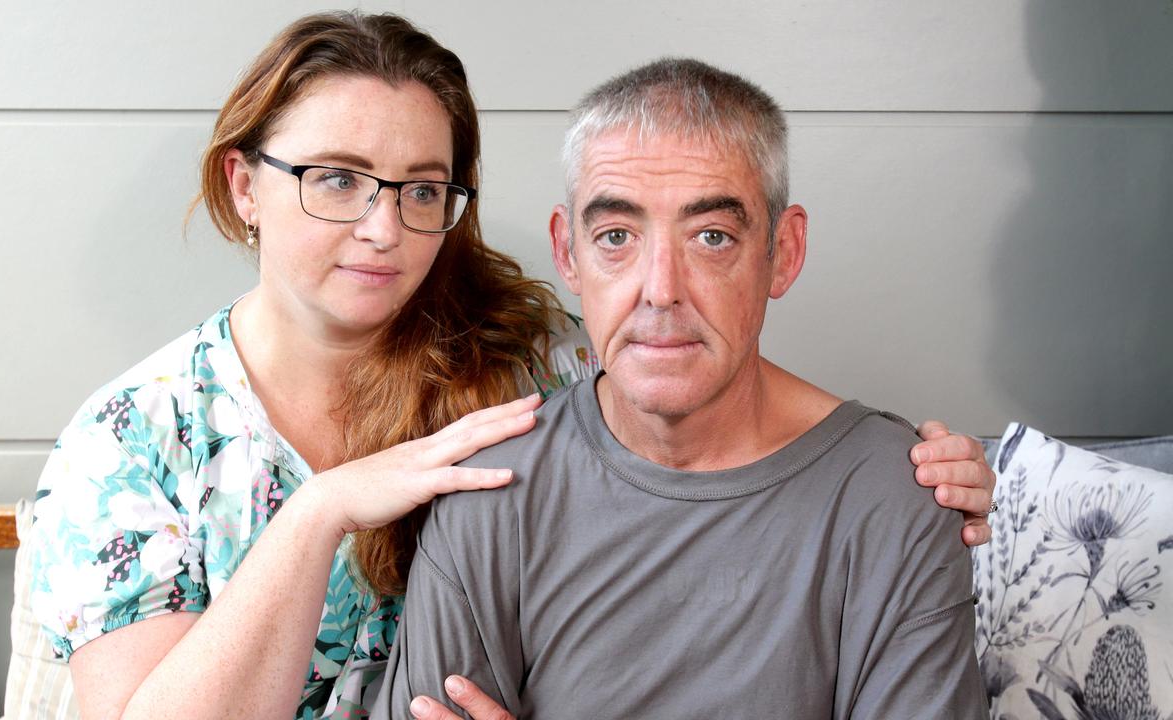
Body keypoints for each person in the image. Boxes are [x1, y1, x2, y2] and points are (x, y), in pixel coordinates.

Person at [28, 13, 995, 720]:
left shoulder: (531, 357)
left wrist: (913, 471)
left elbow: (701, 381)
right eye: (335, 179)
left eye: (421, 190)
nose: (382, 226)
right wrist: (317, 514)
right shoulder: (131, 443)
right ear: (246, 187)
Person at [374, 59, 987, 719]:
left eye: (711, 237)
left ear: (783, 251)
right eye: (616, 237)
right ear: (568, 253)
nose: (661, 289)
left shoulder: (895, 497)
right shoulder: (491, 490)